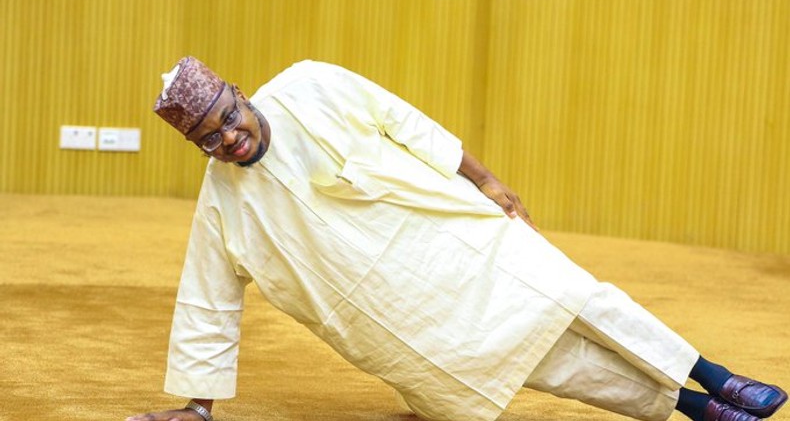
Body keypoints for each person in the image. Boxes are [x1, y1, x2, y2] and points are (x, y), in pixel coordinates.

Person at [128, 56, 786, 421]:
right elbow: (209, 304)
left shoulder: (310, 84)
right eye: (209, 139)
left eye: (229, 119)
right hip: (404, 317)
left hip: (454, 236)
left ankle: (718, 376)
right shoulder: (222, 203)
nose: (229, 139)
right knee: (549, 366)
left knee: (577, 295)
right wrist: (199, 408)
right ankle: (693, 408)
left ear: (239, 94)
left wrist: (487, 182)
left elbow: (404, 122)